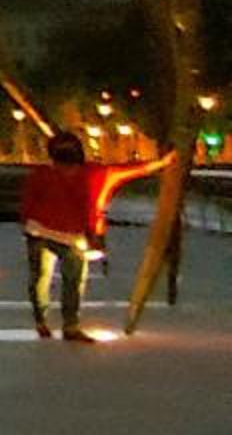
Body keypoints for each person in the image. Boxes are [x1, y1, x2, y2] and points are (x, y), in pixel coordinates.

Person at [18, 131, 171, 340]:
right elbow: (131, 170)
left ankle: (43, 322)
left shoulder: (42, 175)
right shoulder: (97, 173)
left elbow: (29, 201)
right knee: (72, 281)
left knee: (41, 279)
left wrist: (25, 221)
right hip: (72, 235)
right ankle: (68, 325)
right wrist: (162, 162)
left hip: (40, 231)